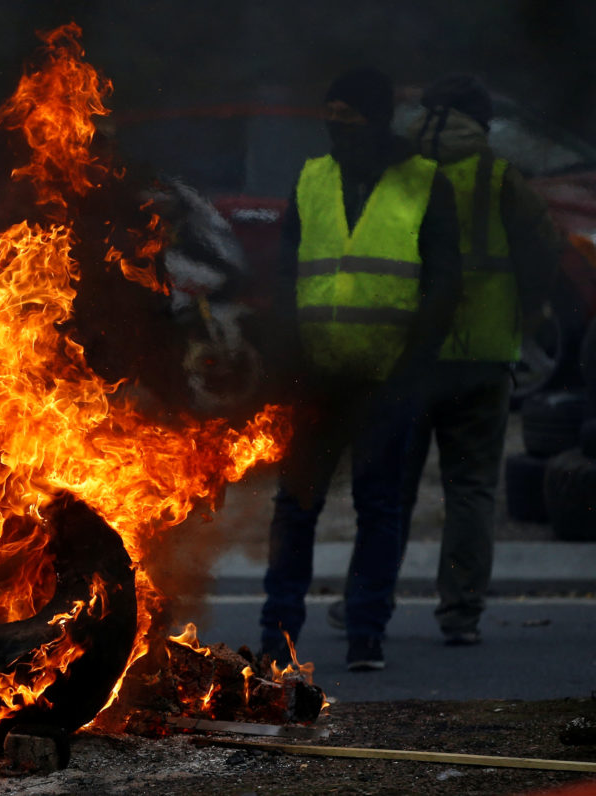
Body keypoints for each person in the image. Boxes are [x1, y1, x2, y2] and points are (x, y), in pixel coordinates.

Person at [326, 75, 562, 645]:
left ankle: (364, 598)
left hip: (406, 358)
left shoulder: (397, 174)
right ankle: (460, 616)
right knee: (472, 489)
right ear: (480, 125)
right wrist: (525, 320)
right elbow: (545, 256)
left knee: (391, 489)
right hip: (482, 360)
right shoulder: (499, 177)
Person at [257, 67, 461, 672]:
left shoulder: (424, 182)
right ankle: (277, 634)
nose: (335, 131)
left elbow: (443, 283)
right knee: (295, 507)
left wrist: (413, 368)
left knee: (378, 507)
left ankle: (366, 631)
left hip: (387, 378)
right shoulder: (312, 177)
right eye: (330, 119)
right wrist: (286, 358)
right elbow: (285, 273)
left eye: (348, 119)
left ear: (374, 120)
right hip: (316, 377)